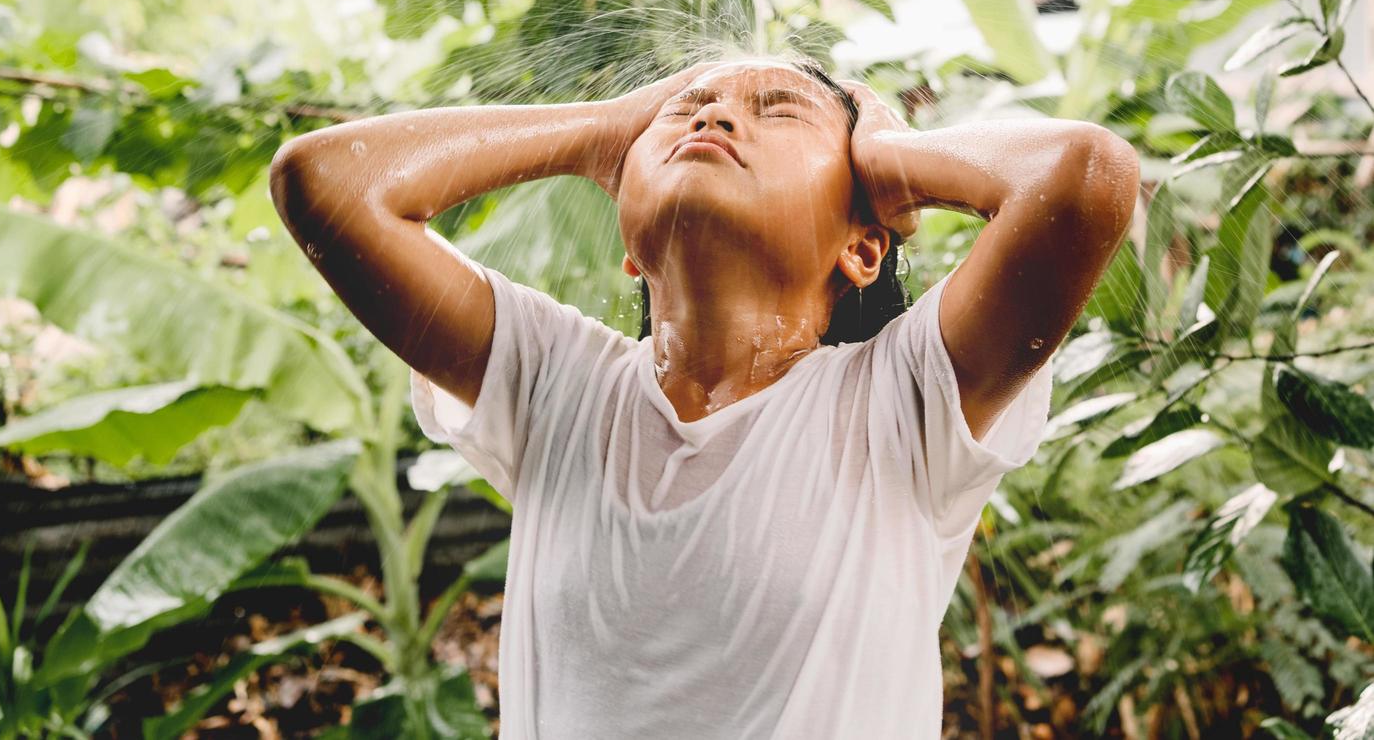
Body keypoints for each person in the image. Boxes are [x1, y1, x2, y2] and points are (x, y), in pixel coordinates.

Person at [269, 55, 1140, 738]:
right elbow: (323, 181)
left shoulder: (901, 404)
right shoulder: (558, 385)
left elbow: (1085, 176)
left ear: (864, 249)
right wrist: (602, 130)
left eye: (779, 111)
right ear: (630, 250)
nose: (715, 113)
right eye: (683, 111)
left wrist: (886, 156)